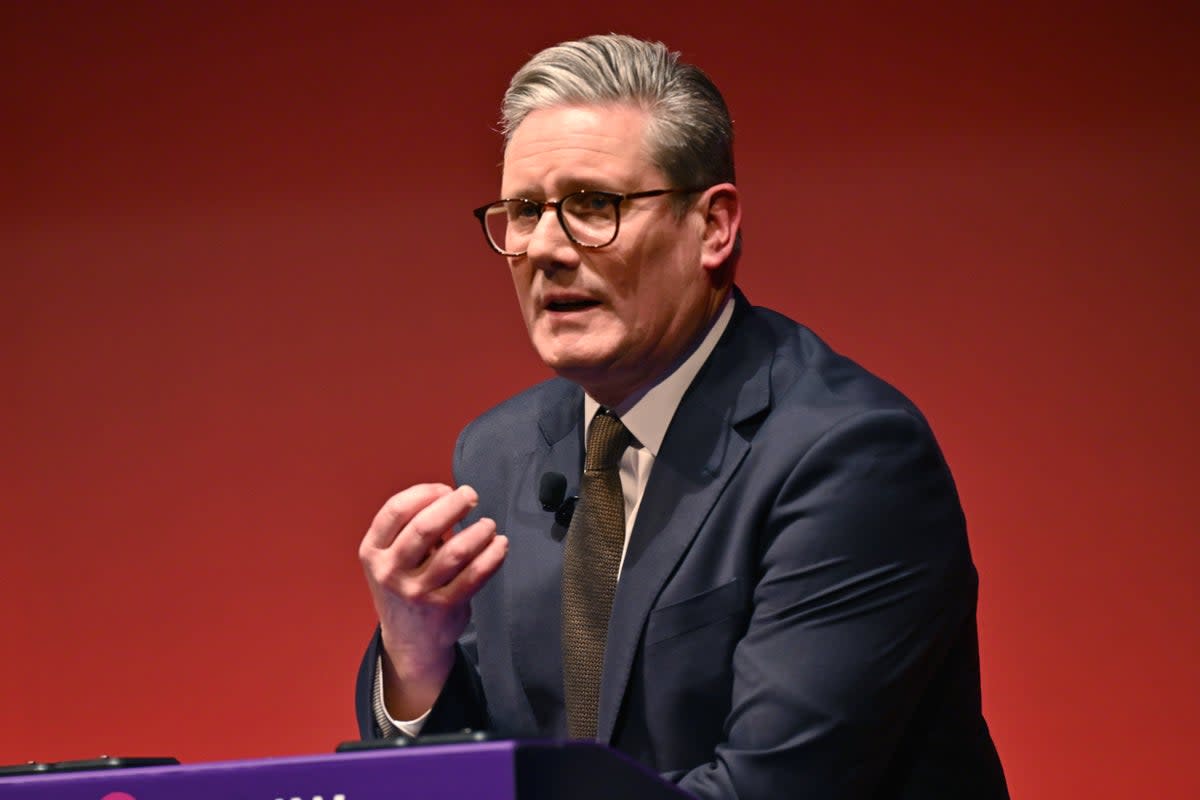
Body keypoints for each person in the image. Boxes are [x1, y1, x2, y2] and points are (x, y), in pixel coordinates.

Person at [354, 34, 1008, 799]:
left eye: (594, 205)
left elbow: (768, 789)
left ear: (714, 227)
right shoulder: (498, 456)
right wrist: (414, 661)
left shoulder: (848, 458)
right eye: (525, 210)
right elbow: (463, 776)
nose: (545, 249)